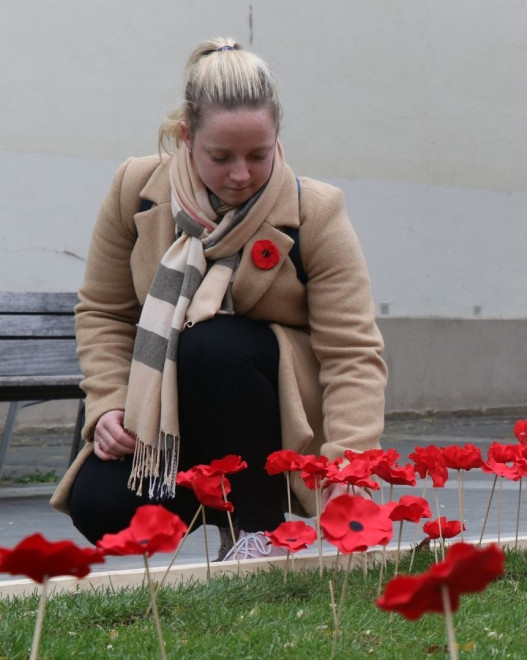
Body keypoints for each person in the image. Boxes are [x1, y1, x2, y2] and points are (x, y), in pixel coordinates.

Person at [50, 37, 388, 560]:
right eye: (221, 156)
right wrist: (110, 405)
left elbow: (352, 354)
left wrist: (348, 468)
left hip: (274, 416)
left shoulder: (315, 212)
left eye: (259, 154)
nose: (241, 175)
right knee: (102, 506)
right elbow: (104, 312)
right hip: (170, 410)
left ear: (278, 134)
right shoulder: (135, 189)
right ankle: (221, 500)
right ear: (187, 136)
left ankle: (259, 532)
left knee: (212, 345)